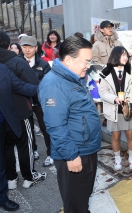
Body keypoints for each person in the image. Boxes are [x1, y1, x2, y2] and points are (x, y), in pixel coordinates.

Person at [38, 36, 102, 213]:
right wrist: (71, 156)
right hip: (74, 153)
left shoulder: (74, 76)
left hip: (86, 148)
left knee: (82, 198)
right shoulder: (53, 84)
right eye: (86, 61)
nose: (88, 66)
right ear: (68, 60)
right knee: (74, 203)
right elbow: (55, 126)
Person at [0, 30, 46, 190]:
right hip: (20, 110)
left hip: (2, 114)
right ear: (8, 45)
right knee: (25, 144)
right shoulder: (17, 62)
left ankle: (11, 179)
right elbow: (32, 83)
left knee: (6, 146)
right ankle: (29, 177)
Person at [0, 64, 37, 211]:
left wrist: (45, 88)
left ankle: (2, 197)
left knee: (1, 164)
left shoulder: (2, 69)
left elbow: (20, 86)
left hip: (2, 123)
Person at [99, 46, 132, 170]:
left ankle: (131, 158)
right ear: (115, 56)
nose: (125, 57)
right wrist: (114, 98)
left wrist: (131, 97)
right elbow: (102, 92)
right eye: (122, 55)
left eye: (126, 55)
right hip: (113, 110)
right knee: (115, 136)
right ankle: (117, 159)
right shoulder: (105, 72)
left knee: (131, 135)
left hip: (128, 110)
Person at [19, 36, 52, 167]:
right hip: (22, 101)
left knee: (45, 128)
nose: (27, 50)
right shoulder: (17, 62)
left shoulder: (43, 65)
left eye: (30, 47)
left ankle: (51, 153)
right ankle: (34, 149)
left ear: (36, 48)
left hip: (40, 102)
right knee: (28, 128)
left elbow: (48, 85)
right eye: (24, 47)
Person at [92, 20, 123, 127]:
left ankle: (121, 114)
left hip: (120, 73)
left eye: (111, 27)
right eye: (107, 27)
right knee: (107, 96)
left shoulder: (118, 43)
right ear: (101, 30)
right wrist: (104, 71)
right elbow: (95, 60)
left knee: (120, 94)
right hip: (105, 75)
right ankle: (107, 116)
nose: (110, 29)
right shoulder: (97, 44)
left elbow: (124, 57)